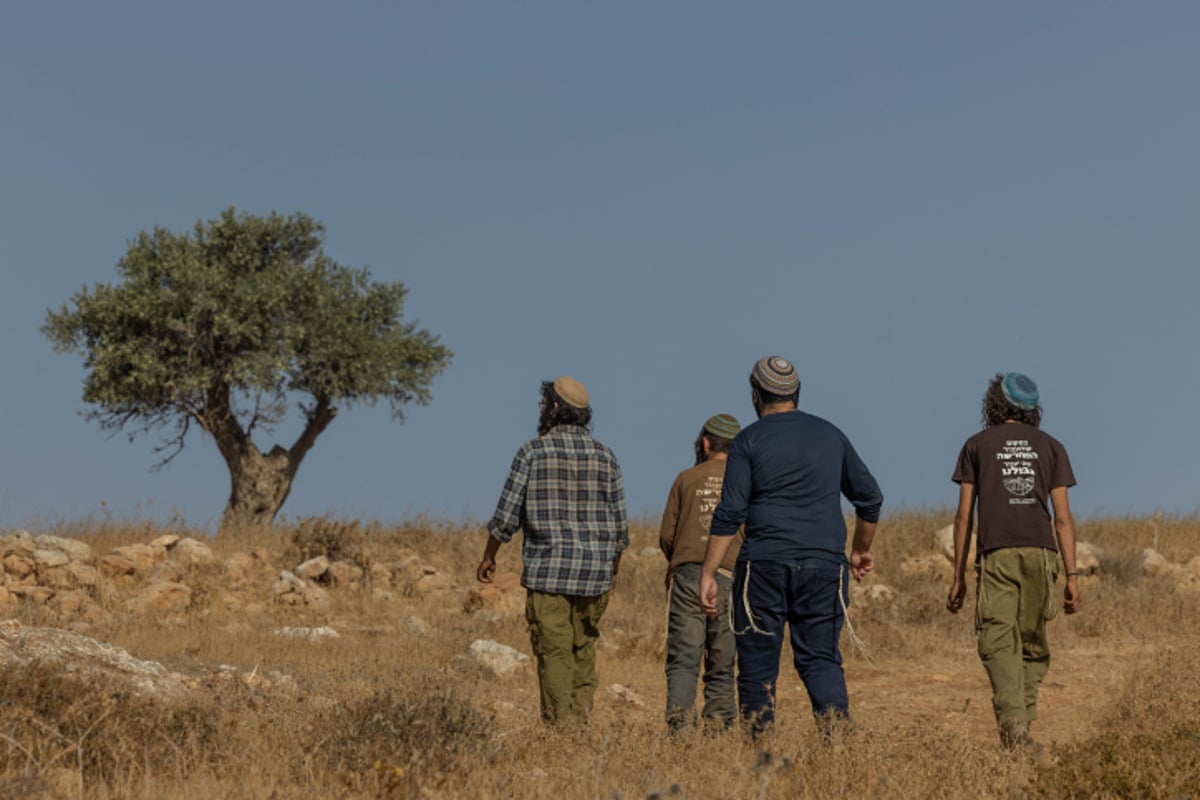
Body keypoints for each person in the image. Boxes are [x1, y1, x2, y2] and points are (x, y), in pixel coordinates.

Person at [700, 356, 883, 736]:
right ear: (796, 394)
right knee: (820, 660)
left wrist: (709, 572)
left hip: (762, 566)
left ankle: (760, 760)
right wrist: (860, 550)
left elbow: (730, 511)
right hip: (824, 565)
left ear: (754, 395)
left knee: (757, 665)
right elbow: (870, 498)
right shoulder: (831, 435)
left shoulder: (747, 440)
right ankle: (839, 749)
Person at [477, 375, 629, 726]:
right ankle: (577, 722)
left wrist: (489, 557)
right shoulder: (607, 457)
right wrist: (613, 570)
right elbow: (620, 526)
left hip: (549, 572)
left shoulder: (532, 451)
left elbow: (505, 516)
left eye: (544, 403)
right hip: (595, 574)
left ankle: (562, 730)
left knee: (554, 650)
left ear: (555, 407)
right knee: (583, 647)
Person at [946, 372, 1080, 752]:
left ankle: (1015, 728)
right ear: (1032, 410)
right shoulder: (1052, 447)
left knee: (998, 641)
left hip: (997, 554)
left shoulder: (976, 445)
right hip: (1042, 553)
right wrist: (1072, 575)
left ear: (994, 404)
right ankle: (1021, 728)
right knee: (1032, 642)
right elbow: (1063, 518)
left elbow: (964, 517)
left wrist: (958, 576)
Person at [659, 413, 745, 733]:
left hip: (688, 578)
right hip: (729, 578)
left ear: (706, 443)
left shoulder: (685, 479)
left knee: (684, 660)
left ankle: (680, 732)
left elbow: (667, 536)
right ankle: (718, 732)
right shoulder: (744, 481)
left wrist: (684, 562)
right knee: (722, 664)